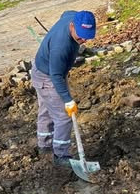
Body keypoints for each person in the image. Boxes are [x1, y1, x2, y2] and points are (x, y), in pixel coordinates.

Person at [31, 10, 96, 166]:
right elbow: (56, 76)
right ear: (72, 26)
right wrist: (67, 100)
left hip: (42, 70)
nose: (84, 40)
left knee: (46, 109)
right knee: (64, 117)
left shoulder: (71, 17)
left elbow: (65, 12)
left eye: (87, 35)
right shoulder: (61, 46)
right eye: (80, 35)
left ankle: (45, 144)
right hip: (48, 78)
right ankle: (61, 156)